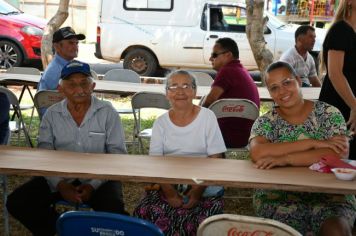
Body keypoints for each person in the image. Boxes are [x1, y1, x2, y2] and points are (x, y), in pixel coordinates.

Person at [7, 60, 128, 236]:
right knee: (18, 202)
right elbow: (45, 155)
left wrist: (93, 185)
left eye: (84, 83)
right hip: (61, 177)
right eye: (71, 84)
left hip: (100, 177)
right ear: (60, 89)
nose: (79, 89)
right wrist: (60, 184)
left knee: (114, 212)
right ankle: (60, 229)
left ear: (93, 86)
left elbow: (117, 154)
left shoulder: (107, 112)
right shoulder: (52, 114)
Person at [249, 61, 356, 236]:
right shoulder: (266, 121)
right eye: (274, 87)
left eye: (287, 82)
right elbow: (258, 152)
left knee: (336, 230)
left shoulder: (328, 113)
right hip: (277, 196)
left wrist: (284, 159)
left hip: (330, 195)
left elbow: (338, 153)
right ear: (269, 92)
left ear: (299, 80)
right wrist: (312, 143)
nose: (282, 91)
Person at [133, 70, 226, 236]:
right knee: (146, 212)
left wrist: (197, 192)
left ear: (195, 91)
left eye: (186, 86)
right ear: (167, 93)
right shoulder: (161, 122)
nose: (180, 91)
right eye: (173, 86)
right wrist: (169, 192)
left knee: (204, 222)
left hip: (203, 182)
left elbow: (215, 159)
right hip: (168, 181)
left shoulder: (207, 117)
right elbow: (156, 162)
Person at [202, 37, 260, 148]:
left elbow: (210, 100)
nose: (210, 58)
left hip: (225, 135)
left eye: (214, 55)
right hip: (246, 136)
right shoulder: (240, 69)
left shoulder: (226, 71)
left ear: (228, 55)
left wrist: (193, 118)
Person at [319, 0, 356, 160]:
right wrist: (355, 106)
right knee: (338, 159)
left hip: (351, 104)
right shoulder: (341, 30)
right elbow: (335, 73)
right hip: (340, 104)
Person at [38, 26, 85, 91]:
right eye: (71, 43)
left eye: (76, 43)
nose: (75, 47)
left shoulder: (63, 66)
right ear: (57, 46)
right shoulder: (55, 71)